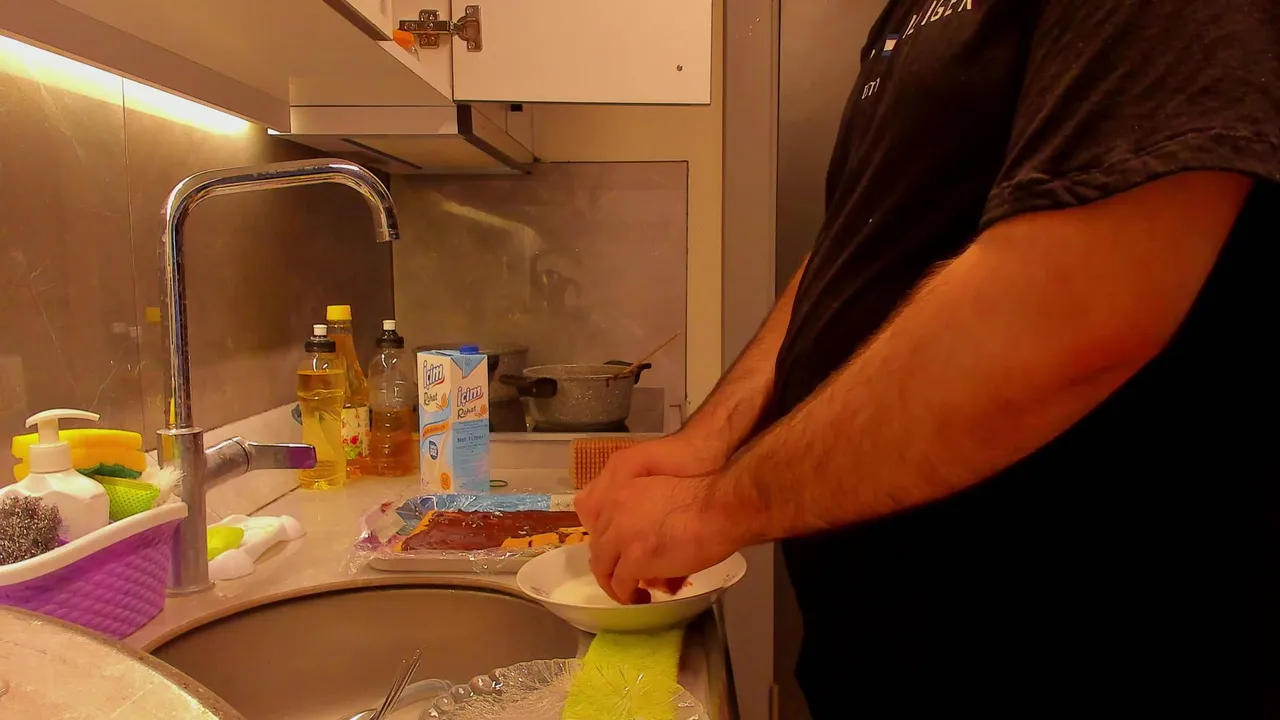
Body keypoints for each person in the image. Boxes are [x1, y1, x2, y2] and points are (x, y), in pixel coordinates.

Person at [577, 0, 1280, 716]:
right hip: (886, 660)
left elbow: (1073, 311)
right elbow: (857, 248)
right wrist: (712, 435)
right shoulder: (908, 13)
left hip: (1084, 661)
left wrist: (712, 510)